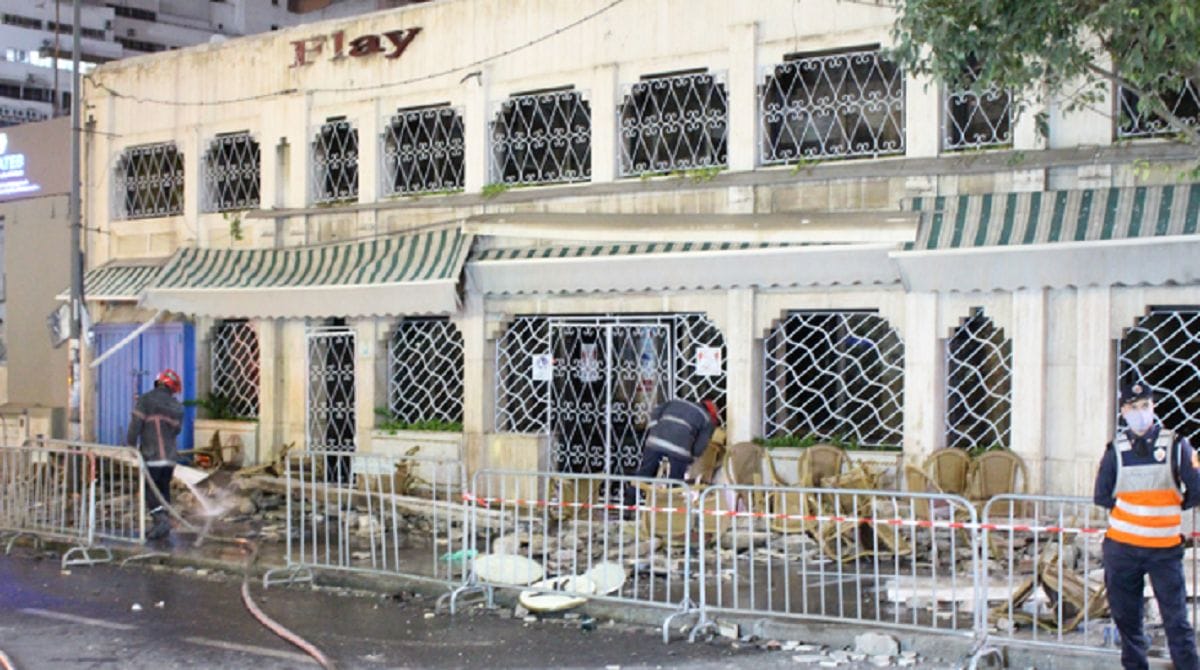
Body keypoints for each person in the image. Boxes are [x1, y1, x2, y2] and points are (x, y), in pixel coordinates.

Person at [1093, 382, 1200, 670]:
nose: (1140, 413)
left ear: (1153, 407)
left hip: (1163, 551)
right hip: (1122, 550)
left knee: (1176, 621)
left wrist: (1171, 505)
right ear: (1124, 411)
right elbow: (1102, 494)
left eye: (1145, 406)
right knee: (1127, 621)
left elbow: (1197, 487)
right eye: (1133, 408)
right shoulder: (1115, 450)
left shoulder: (1177, 445)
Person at [623, 399, 720, 509]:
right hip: (680, 448)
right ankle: (670, 509)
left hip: (656, 440)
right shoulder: (707, 420)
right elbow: (700, 444)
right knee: (675, 481)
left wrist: (655, 427)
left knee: (645, 472)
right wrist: (692, 457)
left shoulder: (676, 402)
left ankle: (628, 503)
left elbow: (656, 411)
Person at [127, 368, 184, 541]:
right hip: (169, 458)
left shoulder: (145, 400)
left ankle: (161, 521)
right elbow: (176, 431)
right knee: (163, 489)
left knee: (149, 491)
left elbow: (135, 425)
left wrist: (130, 446)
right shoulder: (177, 407)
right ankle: (163, 524)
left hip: (151, 456)